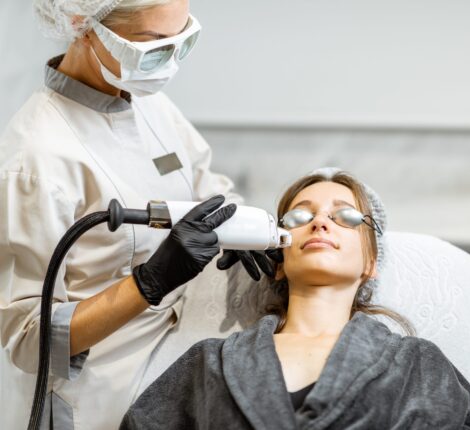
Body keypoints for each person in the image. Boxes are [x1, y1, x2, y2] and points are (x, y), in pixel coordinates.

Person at [0, 1, 273, 429]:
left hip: (179, 369)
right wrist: (148, 283)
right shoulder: (35, 159)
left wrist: (244, 230)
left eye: (183, 41)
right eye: (151, 46)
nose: (170, 65)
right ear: (80, 25)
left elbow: (209, 186)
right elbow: (27, 339)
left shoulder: (150, 105)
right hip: (102, 399)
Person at [120, 169, 470, 429]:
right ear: (278, 262)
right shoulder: (209, 362)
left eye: (346, 217)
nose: (320, 223)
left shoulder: (418, 363)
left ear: (371, 263)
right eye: (299, 216)